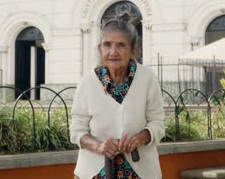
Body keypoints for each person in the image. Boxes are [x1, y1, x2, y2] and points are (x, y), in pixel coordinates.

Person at [70, 13, 165, 179]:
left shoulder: (147, 77)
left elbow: (157, 123)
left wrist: (139, 138)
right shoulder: (88, 81)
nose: (113, 52)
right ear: (100, 49)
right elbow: (77, 130)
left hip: (140, 172)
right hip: (95, 172)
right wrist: (99, 146)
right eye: (107, 45)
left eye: (121, 45)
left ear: (133, 50)